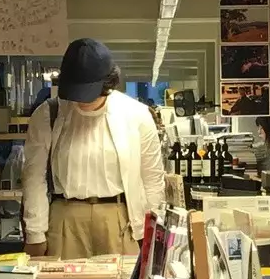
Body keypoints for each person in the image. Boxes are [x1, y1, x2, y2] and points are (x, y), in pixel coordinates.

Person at [20, 38, 166, 258]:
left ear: (108, 84)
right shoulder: (48, 114)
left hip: (119, 220)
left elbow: (152, 179)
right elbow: (34, 177)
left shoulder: (136, 115)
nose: (81, 100)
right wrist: (35, 235)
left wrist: (154, 233)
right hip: (64, 220)